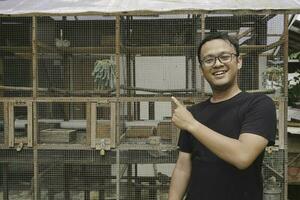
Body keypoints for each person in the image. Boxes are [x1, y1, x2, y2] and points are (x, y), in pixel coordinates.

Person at [168, 32, 276, 200]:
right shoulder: (195, 112)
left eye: (224, 57)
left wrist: (192, 125)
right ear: (202, 70)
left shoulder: (259, 104)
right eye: (209, 60)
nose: (217, 64)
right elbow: (183, 166)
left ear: (238, 61)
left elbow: (243, 156)